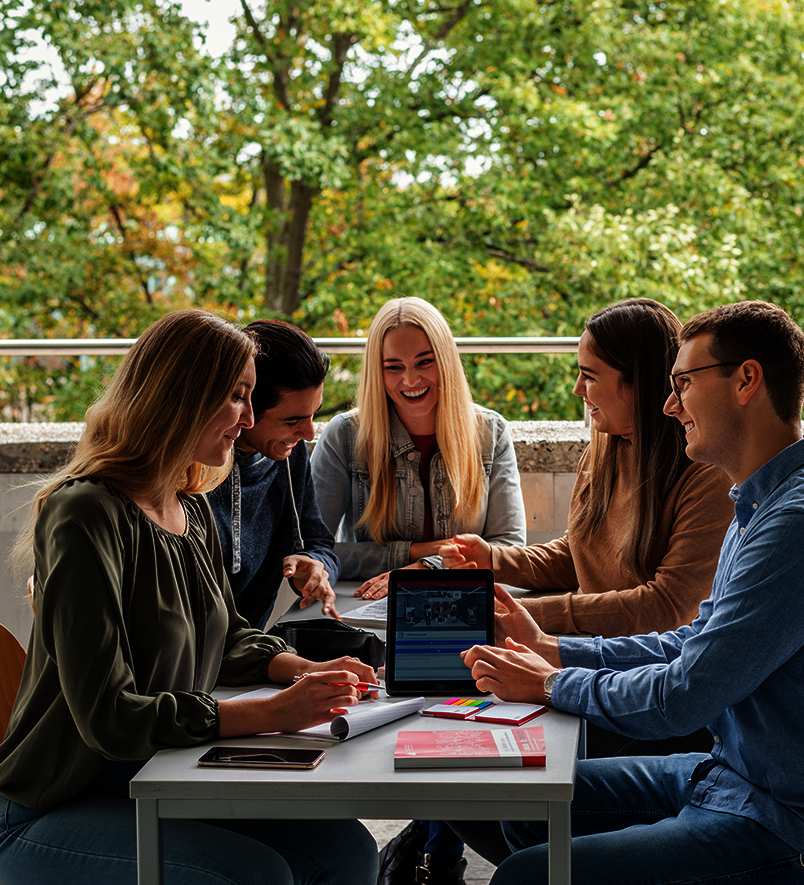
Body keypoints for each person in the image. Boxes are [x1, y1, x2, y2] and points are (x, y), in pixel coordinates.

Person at [464, 300, 804, 885]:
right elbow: (693, 639)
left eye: (683, 382)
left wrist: (552, 683)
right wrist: (555, 649)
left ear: (746, 380)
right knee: (525, 802)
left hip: (799, 822)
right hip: (731, 774)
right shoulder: (760, 503)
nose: (669, 405)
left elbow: (685, 695)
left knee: (526, 876)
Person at [0, 309, 379, 885]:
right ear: (179, 397)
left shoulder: (191, 505)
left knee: (348, 850)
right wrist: (270, 712)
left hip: (161, 771)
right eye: (236, 397)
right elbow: (110, 717)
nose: (249, 418)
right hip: (57, 800)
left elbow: (227, 637)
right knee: (255, 874)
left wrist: (305, 670)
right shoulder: (84, 513)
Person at [310, 296, 527, 885]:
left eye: (424, 361)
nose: (410, 380)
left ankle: (436, 851)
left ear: (447, 363)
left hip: (462, 616)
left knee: (459, 708)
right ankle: (437, 849)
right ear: (375, 371)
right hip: (370, 622)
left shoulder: (489, 432)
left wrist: (421, 573)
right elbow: (318, 547)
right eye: (392, 366)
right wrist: (422, 554)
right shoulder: (344, 437)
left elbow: (508, 546)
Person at [442, 297, 734, 639]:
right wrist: (493, 560)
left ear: (638, 384)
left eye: (589, 376)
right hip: (587, 650)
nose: (578, 389)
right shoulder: (605, 449)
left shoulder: (708, 476)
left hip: (642, 668)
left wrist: (514, 613)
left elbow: (667, 607)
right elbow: (579, 555)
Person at [208, 319, 340, 630]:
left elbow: (319, 541)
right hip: (207, 662)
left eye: (313, 415)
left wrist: (317, 567)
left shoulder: (286, 455)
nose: (308, 433)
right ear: (245, 406)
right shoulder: (192, 475)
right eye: (293, 419)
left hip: (251, 651)